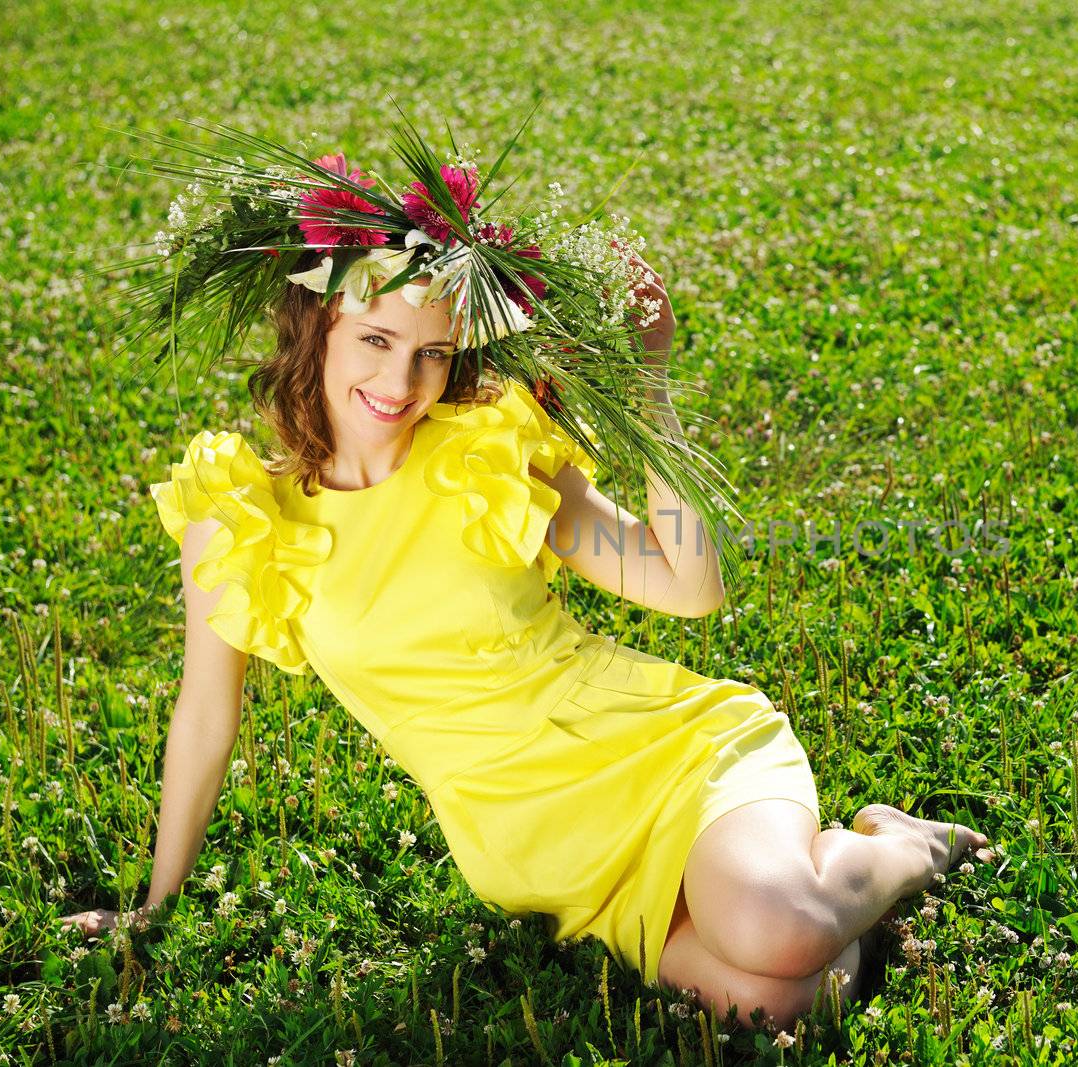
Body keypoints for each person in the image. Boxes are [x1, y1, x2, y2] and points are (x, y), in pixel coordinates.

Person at [61, 255, 995, 1033]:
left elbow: (691, 586)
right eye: (375, 342)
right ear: (316, 330)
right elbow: (205, 719)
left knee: (780, 926)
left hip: (665, 753)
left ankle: (910, 848)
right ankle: (845, 882)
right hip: (535, 849)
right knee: (778, 1000)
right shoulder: (240, 520)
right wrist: (153, 902)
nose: (400, 383)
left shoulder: (487, 453)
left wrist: (649, 389)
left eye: (432, 352)